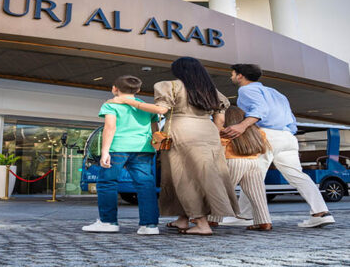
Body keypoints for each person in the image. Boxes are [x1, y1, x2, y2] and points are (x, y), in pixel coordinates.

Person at [108, 57, 239, 236]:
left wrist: (130, 101)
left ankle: (201, 223)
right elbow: (220, 119)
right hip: (208, 132)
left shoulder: (169, 85)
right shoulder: (210, 90)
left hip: (182, 130)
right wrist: (212, 136)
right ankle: (183, 219)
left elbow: (161, 110)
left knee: (183, 176)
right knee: (205, 175)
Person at [221, 64, 335, 228]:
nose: (231, 77)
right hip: (287, 136)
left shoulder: (246, 90)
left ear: (240, 76)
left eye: (232, 74)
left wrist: (242, 126)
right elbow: (291, 118)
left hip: (267, 135)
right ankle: (321, 212)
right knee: (297, 176)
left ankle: (246, 216)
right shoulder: (277, 93)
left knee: (252, 176)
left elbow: (261, 109)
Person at [82, 75, 160, 235]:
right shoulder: (146, 107)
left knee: (107, 183)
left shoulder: (110, 105)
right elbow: (155, 130)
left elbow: (110, 128)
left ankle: (108, 222)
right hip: (143, 149)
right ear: (138, 90)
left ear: (114, 89)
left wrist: (105, 151)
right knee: (145, 185)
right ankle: (150, 226)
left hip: (118, 148)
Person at [208, 106, 272, 231]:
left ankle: (213, 220)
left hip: (232, 161)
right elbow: (263, 148)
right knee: (257, 194)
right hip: (253, 162)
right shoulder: (256, 132)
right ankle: (264, 222)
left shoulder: (225, 131)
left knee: (222, 192)